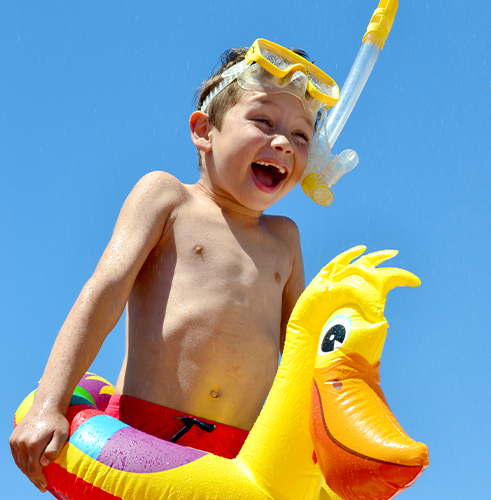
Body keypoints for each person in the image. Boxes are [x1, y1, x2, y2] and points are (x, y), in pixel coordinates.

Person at [9, 39, 340, 493]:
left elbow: (299, 356)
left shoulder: (284, 239)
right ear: (205, 130)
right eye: (263, 121)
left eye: (302, 136)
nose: (283, 142)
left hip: (239, 456)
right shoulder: (168, 199)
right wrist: (49, 400)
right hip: (143, 437)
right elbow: (104, 293)